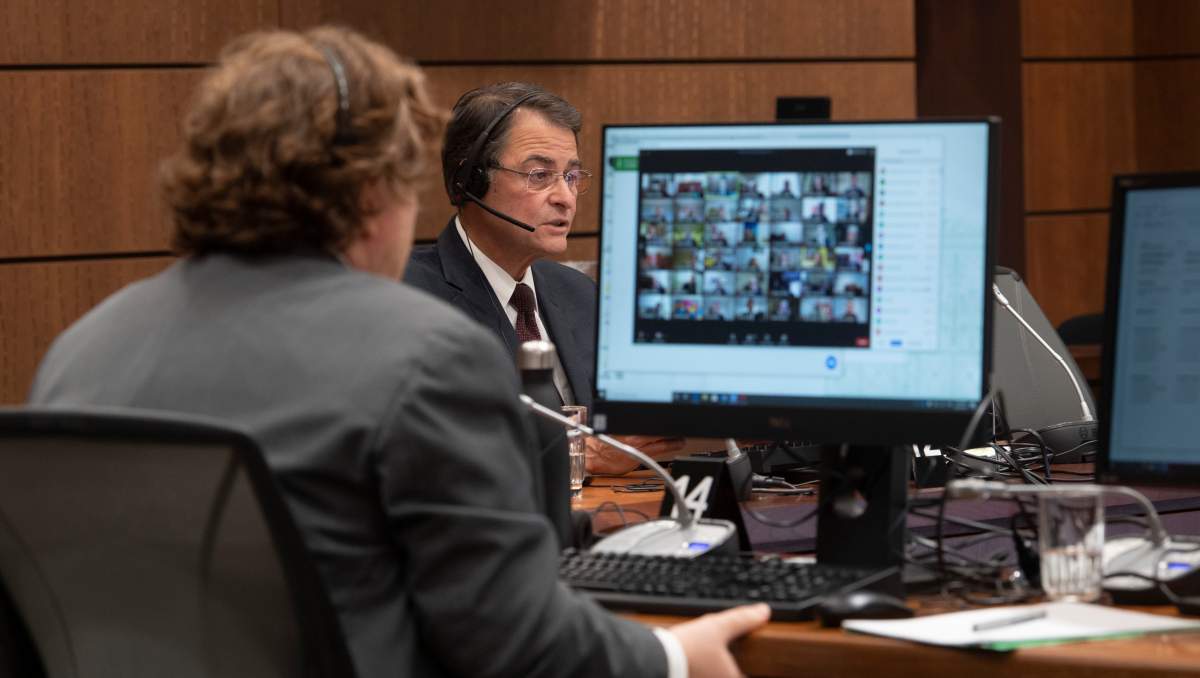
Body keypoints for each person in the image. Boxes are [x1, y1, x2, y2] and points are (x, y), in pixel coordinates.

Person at [26, 27, 768, 678]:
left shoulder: (80, 349)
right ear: (371, 189)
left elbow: (315, 534)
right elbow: (511, 642)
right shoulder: (425, 350)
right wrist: (675, 657)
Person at [404, 82, 683, 475]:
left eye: (571, 176)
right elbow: (430, 449)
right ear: (470, 179)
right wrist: (581, 456)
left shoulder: (578, 293)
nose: (565, 198)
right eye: (539, 175)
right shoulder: (411, 298)